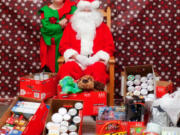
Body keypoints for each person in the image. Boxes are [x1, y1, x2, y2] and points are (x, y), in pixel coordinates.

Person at [58, 0, 115, 90]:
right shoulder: (71, 26)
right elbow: (63, 46)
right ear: (78, 12)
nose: (86, 14)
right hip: (76, 61)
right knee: (67, 68)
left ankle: (95, 98)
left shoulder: (102, 27)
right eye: (83, 10)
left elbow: (110, 46)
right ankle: (69, 97)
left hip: (95, 61)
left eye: (89, 11)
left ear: (95, 12)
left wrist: (96, 58)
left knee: (99, 68)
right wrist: (77, 57)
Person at [39, 0, 77, 72]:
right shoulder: (45, 10)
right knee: (52, 68)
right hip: (52, 44)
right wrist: (61, 26)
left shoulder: (71, 7)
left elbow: (78, 21)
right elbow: (47, 28)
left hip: (70, 43)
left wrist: (67, 18)